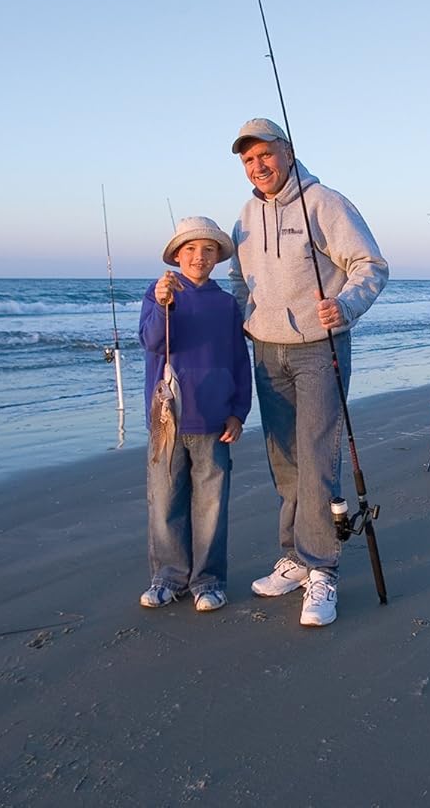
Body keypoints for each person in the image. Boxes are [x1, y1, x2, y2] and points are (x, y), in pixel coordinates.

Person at [228, 117, 388, 627]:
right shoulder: (246, 216)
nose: (258, 166)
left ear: (287, 151)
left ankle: (322, 569)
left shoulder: (324, 203)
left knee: (317, 457)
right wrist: (242, 324)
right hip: (266, 350)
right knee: (285, 460)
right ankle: (295, 557)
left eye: (265, 155)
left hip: (320, 349)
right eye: (248, 160)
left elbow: (370, 265)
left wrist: (345, 306)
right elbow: (238, 280)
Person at [137, 216, 252, 613]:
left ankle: (208, 580)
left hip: (214, 421)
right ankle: (168, 576)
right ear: (176, 256)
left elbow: (240, 360)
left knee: (211, 505)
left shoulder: (226, 304)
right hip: (166, 420)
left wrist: (239, 411)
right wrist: (164, 303)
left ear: (218, 257)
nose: (198, 257)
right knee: (165, 501)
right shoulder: (159, 294)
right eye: (190, 250)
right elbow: (152, 342)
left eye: (207, 250)